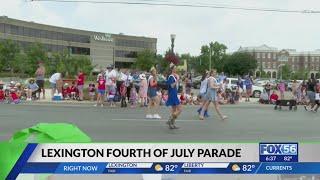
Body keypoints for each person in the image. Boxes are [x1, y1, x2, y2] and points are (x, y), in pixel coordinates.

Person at [166, 65, 182, 129]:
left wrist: (178, 79)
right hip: (172, 94)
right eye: (175, 68)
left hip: (174, 94)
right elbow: (172, 86)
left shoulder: (174, 76)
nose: (176, 69)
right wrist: (177, 80)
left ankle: (172, 124)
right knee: (180, 109)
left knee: (174, 110)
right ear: (172, 69)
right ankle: (170, 119)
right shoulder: (171, 77)